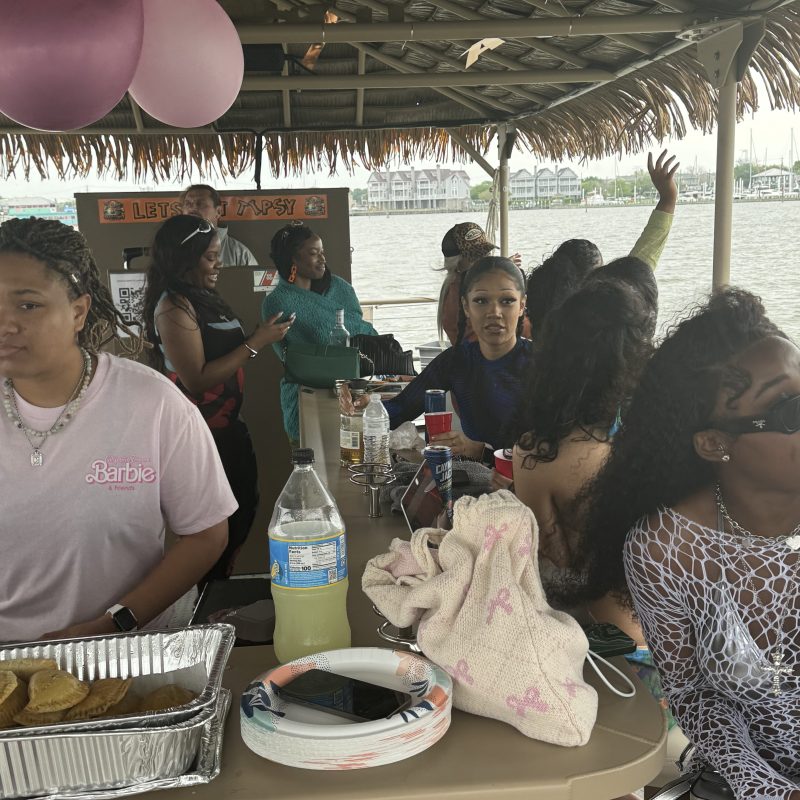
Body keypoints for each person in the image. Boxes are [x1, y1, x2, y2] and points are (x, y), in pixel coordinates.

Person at [580, 288, 800, 799]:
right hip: (740, 784)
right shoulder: (665, 547)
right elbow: (694, 692)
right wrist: (769, 790)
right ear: (715, 443)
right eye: (789, 410)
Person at [0, 217, 236, 642]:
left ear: (78, 311)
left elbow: (206, 532)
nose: (5, 324)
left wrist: (114, 624)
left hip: (123, 652)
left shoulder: (151, 403)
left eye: (27, 304)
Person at [142, 215, 291, 584]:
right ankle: (207, 604)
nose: (218, 264)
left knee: (242, 516)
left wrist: (258, 336)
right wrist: (257, 343)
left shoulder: (200, 297)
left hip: (227, 431)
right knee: (214, 533)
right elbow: (196, 379)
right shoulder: (173, 307)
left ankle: (217, 593)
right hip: (200, 437)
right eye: (210, 257)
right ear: (186, 259)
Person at [343, 256, 531, 459]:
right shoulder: (457, 361)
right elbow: (401, 408)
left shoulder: (543, 365)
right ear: (466, 307)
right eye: (481, 301)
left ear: (522, 305)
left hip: (536, 483)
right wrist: (365, 407)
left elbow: (553, 453)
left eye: (507, 301)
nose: (494, 312)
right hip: (480, 478)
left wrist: (479, 451)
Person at [525, 149, 678, 337]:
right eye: (603, 269)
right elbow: (641, 261)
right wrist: (668, 199)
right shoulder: (605, 322)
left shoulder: (539, 319)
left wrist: (667, 200)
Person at [261, 222, 377, 444]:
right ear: (292, 260)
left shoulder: (340, 288)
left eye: (322, 252)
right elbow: (305, 351)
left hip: (353, 392)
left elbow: (365, 333)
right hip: (306, 396)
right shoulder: (277, 302)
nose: (323, 259)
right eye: (314, 253)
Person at [437, 222, 525, 345]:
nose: (485, 261)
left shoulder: (461, 286)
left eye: (487, 254)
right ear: (457, 263)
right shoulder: (457, 293)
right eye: (476, 257)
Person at [179, 183, 258, 266]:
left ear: (218, 212)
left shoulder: (239, 254)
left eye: (200, 203)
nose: (192, 208)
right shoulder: (173, 248)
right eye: (187, 204)